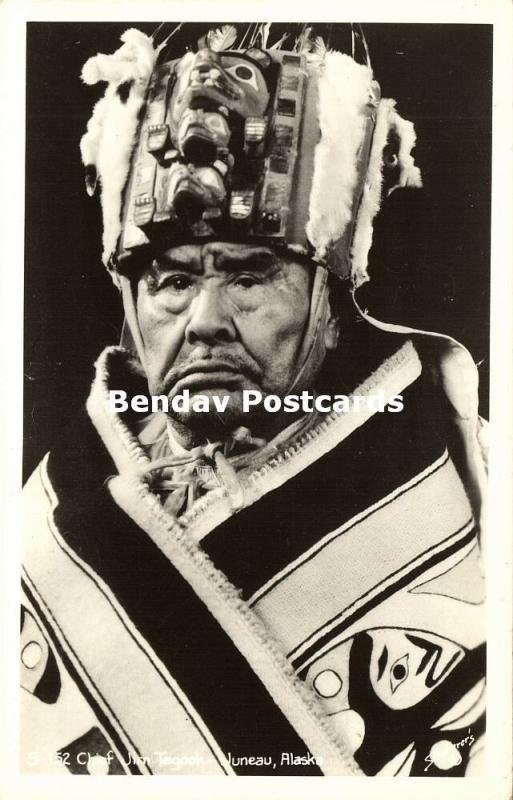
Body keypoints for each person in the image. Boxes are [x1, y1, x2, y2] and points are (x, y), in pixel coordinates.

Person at [21, 24, 487, 777]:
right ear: (129, 303)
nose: (204, 322)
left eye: (248, 277)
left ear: (330, 302)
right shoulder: (37, 525)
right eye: (171, 281)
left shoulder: (479, 487)